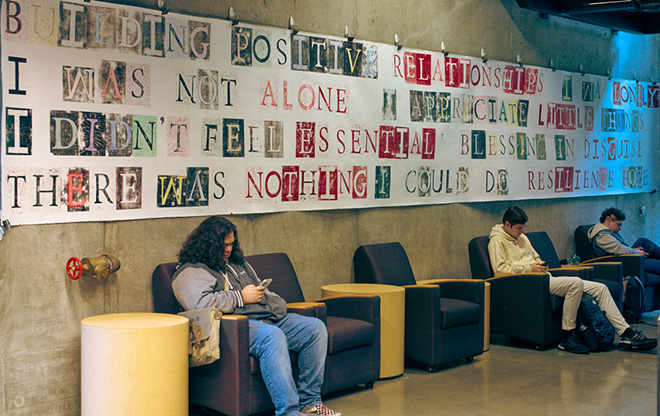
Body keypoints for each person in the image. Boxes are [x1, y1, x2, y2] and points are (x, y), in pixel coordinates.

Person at [172, 216, 340, 416]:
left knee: (314, 329)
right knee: (272, 335)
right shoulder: (190, 269)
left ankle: (310, 402)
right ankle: (289, 412)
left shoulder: (238, 264)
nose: (228, 250)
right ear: (207, 243)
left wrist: (269, 302)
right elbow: (198, 304)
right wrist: (241, 297)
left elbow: (267, 294)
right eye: (224, 245)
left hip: (265, 317)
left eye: (232, 244)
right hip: (233, 327)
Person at [488, 206, 656, 354]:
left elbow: (536, 257)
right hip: (527, 283)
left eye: (524, 227)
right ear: (507, 225)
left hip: (543, 278)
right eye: (519, 228)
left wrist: (539, 264)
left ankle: (626, 334)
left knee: (600, 288)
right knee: (574, 284)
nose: (522, 232)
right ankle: (566, 335)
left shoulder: (522, 238)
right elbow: (499, 271)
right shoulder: (496, 241)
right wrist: (529, 268)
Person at [588, 207, 660, 276]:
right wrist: (635, 252)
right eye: (618, 225)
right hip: (620, 263)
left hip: (623, 258)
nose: (620, 229)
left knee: (643, 241)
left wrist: (632, 250)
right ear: (609, 220)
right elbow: (618, 249)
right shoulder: (602, 235)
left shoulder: (607, 232)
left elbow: (618, 248)